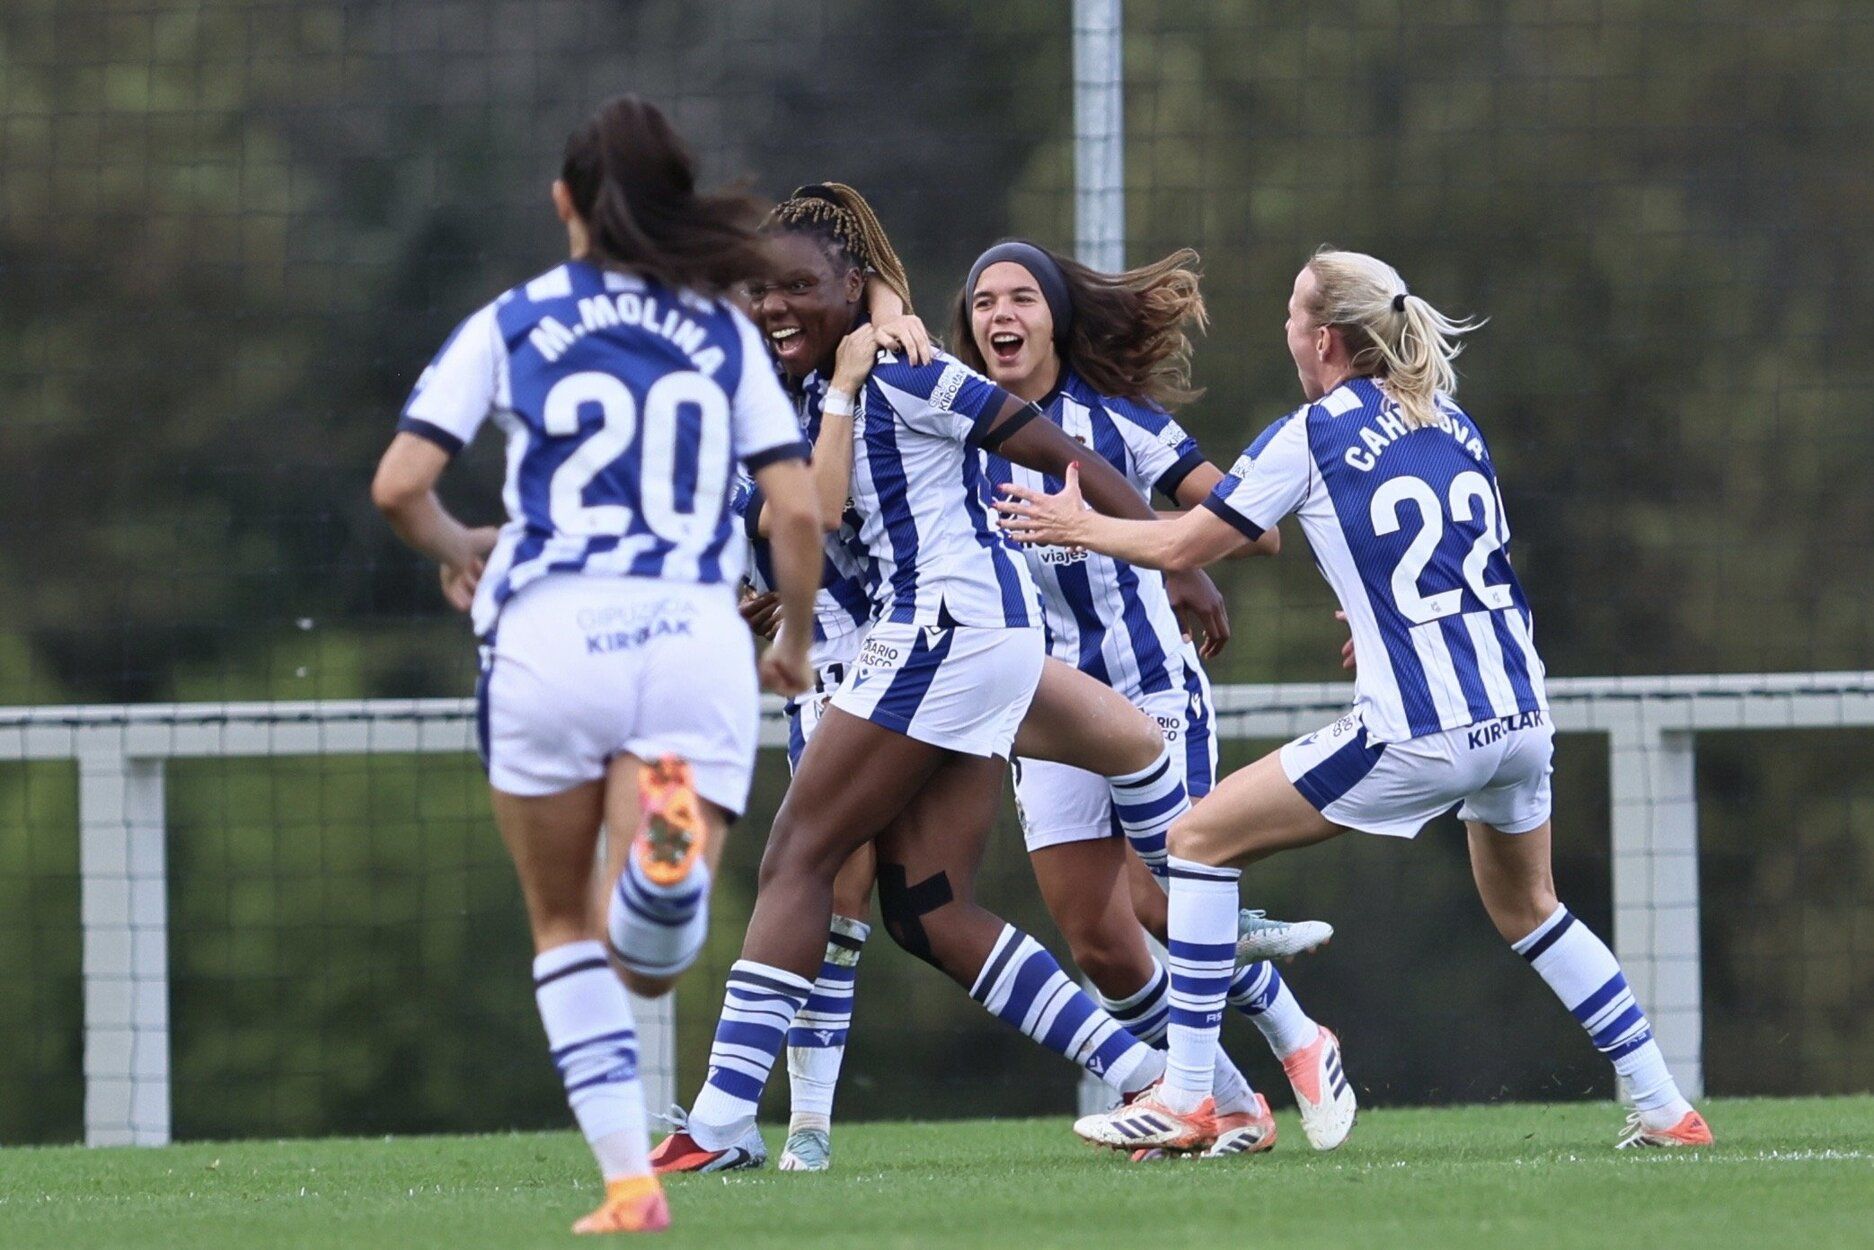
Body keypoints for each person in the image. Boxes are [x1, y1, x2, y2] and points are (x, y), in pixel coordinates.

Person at [996, 247, 1713, 1153]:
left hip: (1421, 727)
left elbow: (1185, 544)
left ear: (1325, 339)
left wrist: (1076, 524)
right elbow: (1455, 566)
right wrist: (1371, 615)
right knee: (1531, 907)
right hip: (1521, 714)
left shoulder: (1313, 431)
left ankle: (1187, 1096)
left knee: (1195, 843)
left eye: (1293, 317)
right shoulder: (1453, 422)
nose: (1287, 333)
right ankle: (1663, 1106)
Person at [650, 184, 1230, 1174]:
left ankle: (720, 1123)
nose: (770, 305)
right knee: (926, 907)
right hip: (954, 637)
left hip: (942, 629)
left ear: (854, 287)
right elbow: (790, 514)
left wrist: (1168, 550)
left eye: (796, 287)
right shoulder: (786, 397)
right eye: (759, 290)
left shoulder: (906, 373)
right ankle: (1164, 1082)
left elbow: (1056, 446)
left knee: (798, 853)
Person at [371, 95, 823, 1235]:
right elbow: (796, 509)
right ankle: (665, 870)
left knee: (562, 922)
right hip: (689, 630)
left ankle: (630, 1185)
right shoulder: (723, 330)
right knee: (656, 946)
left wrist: (459, 544)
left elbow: (397, 485)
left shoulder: (513, 318)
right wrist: (796, 638)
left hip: (549, 634)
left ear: (565, 202)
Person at [959, 240, 1354, 1156]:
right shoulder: (956, 432)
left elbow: (1250, 532)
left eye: (1021, 297)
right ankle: (1231, 1104)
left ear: (1054, 317)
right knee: (1099, 943)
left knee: (1161, 901)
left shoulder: (1120, 423)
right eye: (984, 302)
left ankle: (1300, 1038)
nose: (1000, 315)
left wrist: (1174, 554)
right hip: (1048, 716)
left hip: (1154, 691)